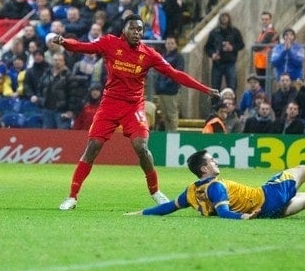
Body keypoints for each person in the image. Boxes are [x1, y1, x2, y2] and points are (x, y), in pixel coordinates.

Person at [54, 14, 220, 210]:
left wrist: (205, 89)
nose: (137, 33)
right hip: (110, 104)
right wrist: (65, 43)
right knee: (93, 147)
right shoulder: (109, 43)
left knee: (141, 146)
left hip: (133, 106)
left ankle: (155, 191)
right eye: (133, 28)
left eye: (140, 30)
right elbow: (83, 47)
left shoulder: (149, 54)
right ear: (124, 30)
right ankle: (72, 197)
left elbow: (175, 74)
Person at [125, 148, 305, 220]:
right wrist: (243, 218)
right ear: (204, 169)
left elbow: (169, 207)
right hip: (267, 197)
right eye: (212, 161)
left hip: (267, 210)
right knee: (303, 170)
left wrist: (141, 212)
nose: (215, 163)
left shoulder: (192, 191)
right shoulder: (216, 187)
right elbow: (224, 211)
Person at [204, 12, 245, 91]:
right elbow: (207, 47)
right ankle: (215, 103)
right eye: (222, 16)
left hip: (230, 63)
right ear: (219, 18)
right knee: (215, 89)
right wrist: (212, 55)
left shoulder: (235, 31)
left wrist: (232, 47)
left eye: (226, 16)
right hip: (217, 64)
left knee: (232, 87)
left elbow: (241, 44)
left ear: (229, 18)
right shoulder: (214, 32)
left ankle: (231, 103)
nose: (224, 18)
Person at [154, 37, 184, 133]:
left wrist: (168, 82)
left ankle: (174, 133)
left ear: (175, 45)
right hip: (161, 90)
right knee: (164, 115)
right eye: (168, 43)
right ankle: (168, 132)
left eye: (172, 43)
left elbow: (178, 71)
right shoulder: (162, 56)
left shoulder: (178, 57)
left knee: (172, 114)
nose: (170, 45)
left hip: (172, 90)